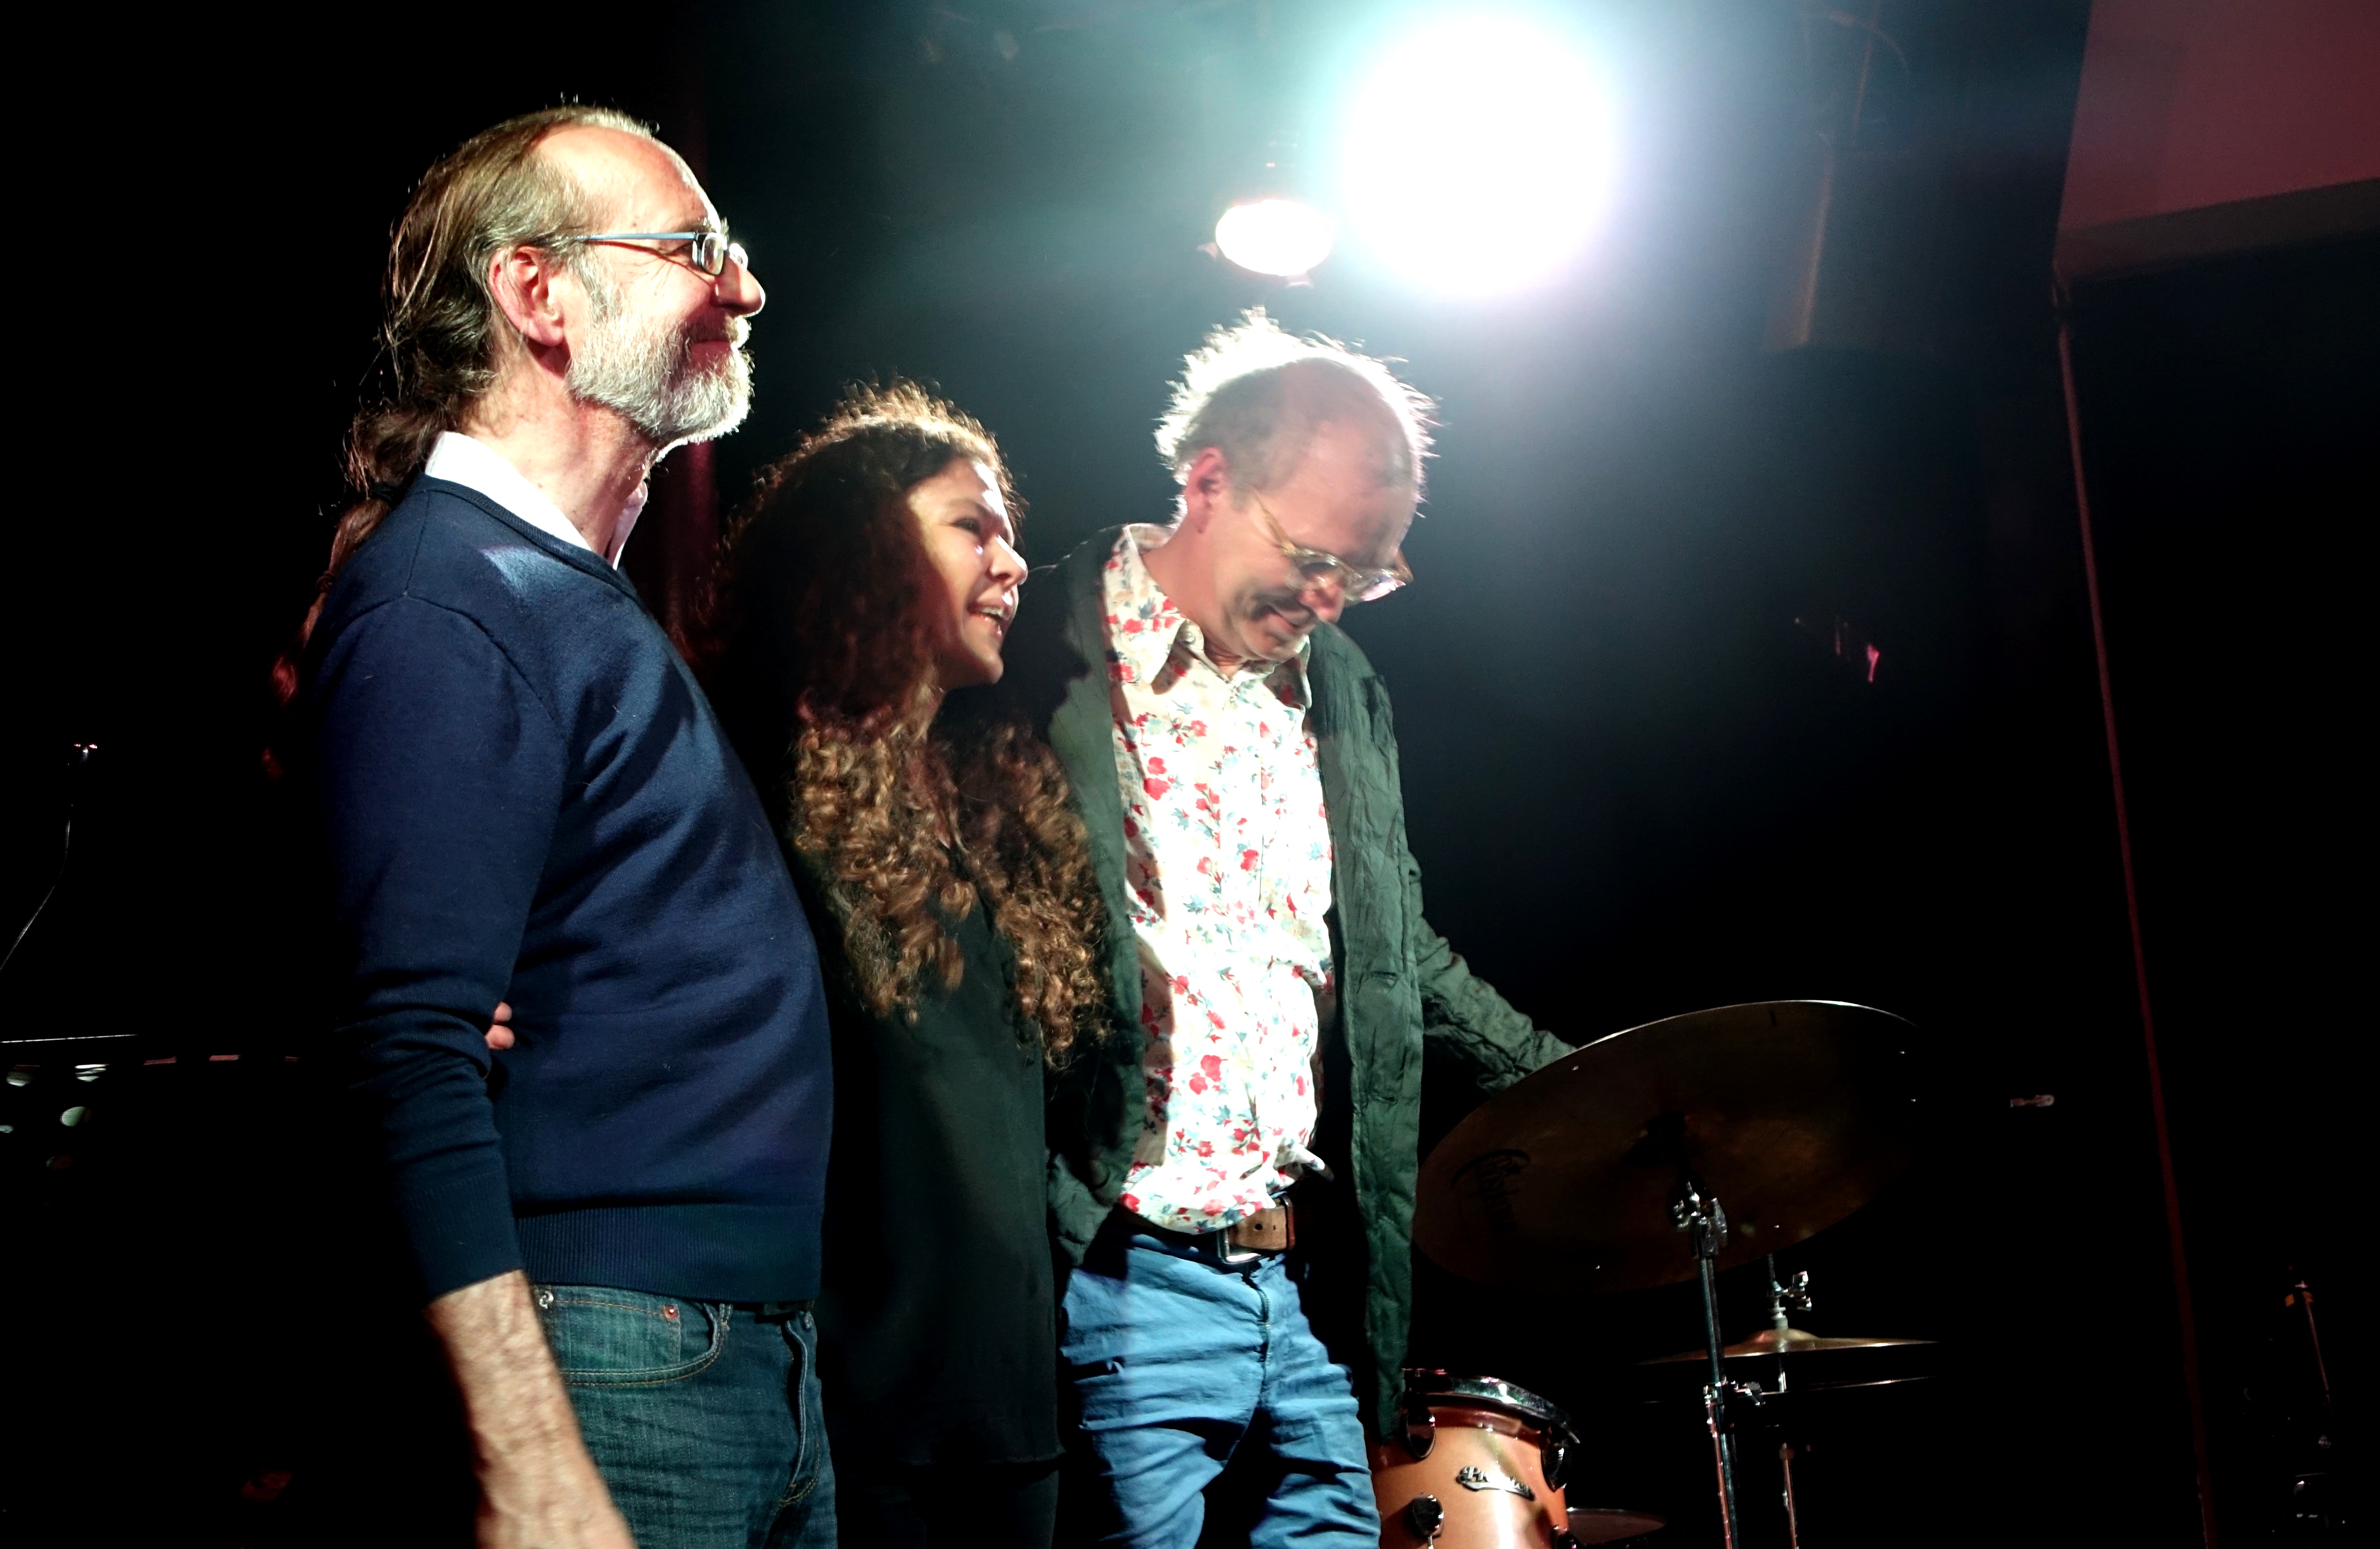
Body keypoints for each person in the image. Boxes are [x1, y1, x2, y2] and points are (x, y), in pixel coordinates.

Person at [292, 107, 835, 1549]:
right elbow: (405, 1050)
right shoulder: (449, 598)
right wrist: (528, 1457)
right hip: (611, 1357)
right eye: (695, 248)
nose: (746, 288)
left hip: (724, 1356)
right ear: (537, 294)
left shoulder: (556, 598)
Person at [1002, 313, 1573, 1547]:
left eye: (1365, 573)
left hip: (1308, 1289)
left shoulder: (1341, 687)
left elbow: (1392, 947)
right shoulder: (1038, 648)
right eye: (1314, 555)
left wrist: (1581, 1089)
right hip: (1122, 1276)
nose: (1330, 597)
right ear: (1208, 481)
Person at [701, 385, 1110, 1549]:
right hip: (852, 1418)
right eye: (971, 526)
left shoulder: (998, 800)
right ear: (865, 548)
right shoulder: (756, 787)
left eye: (1010, 531)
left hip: (1014, 1413)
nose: (1013, 561)